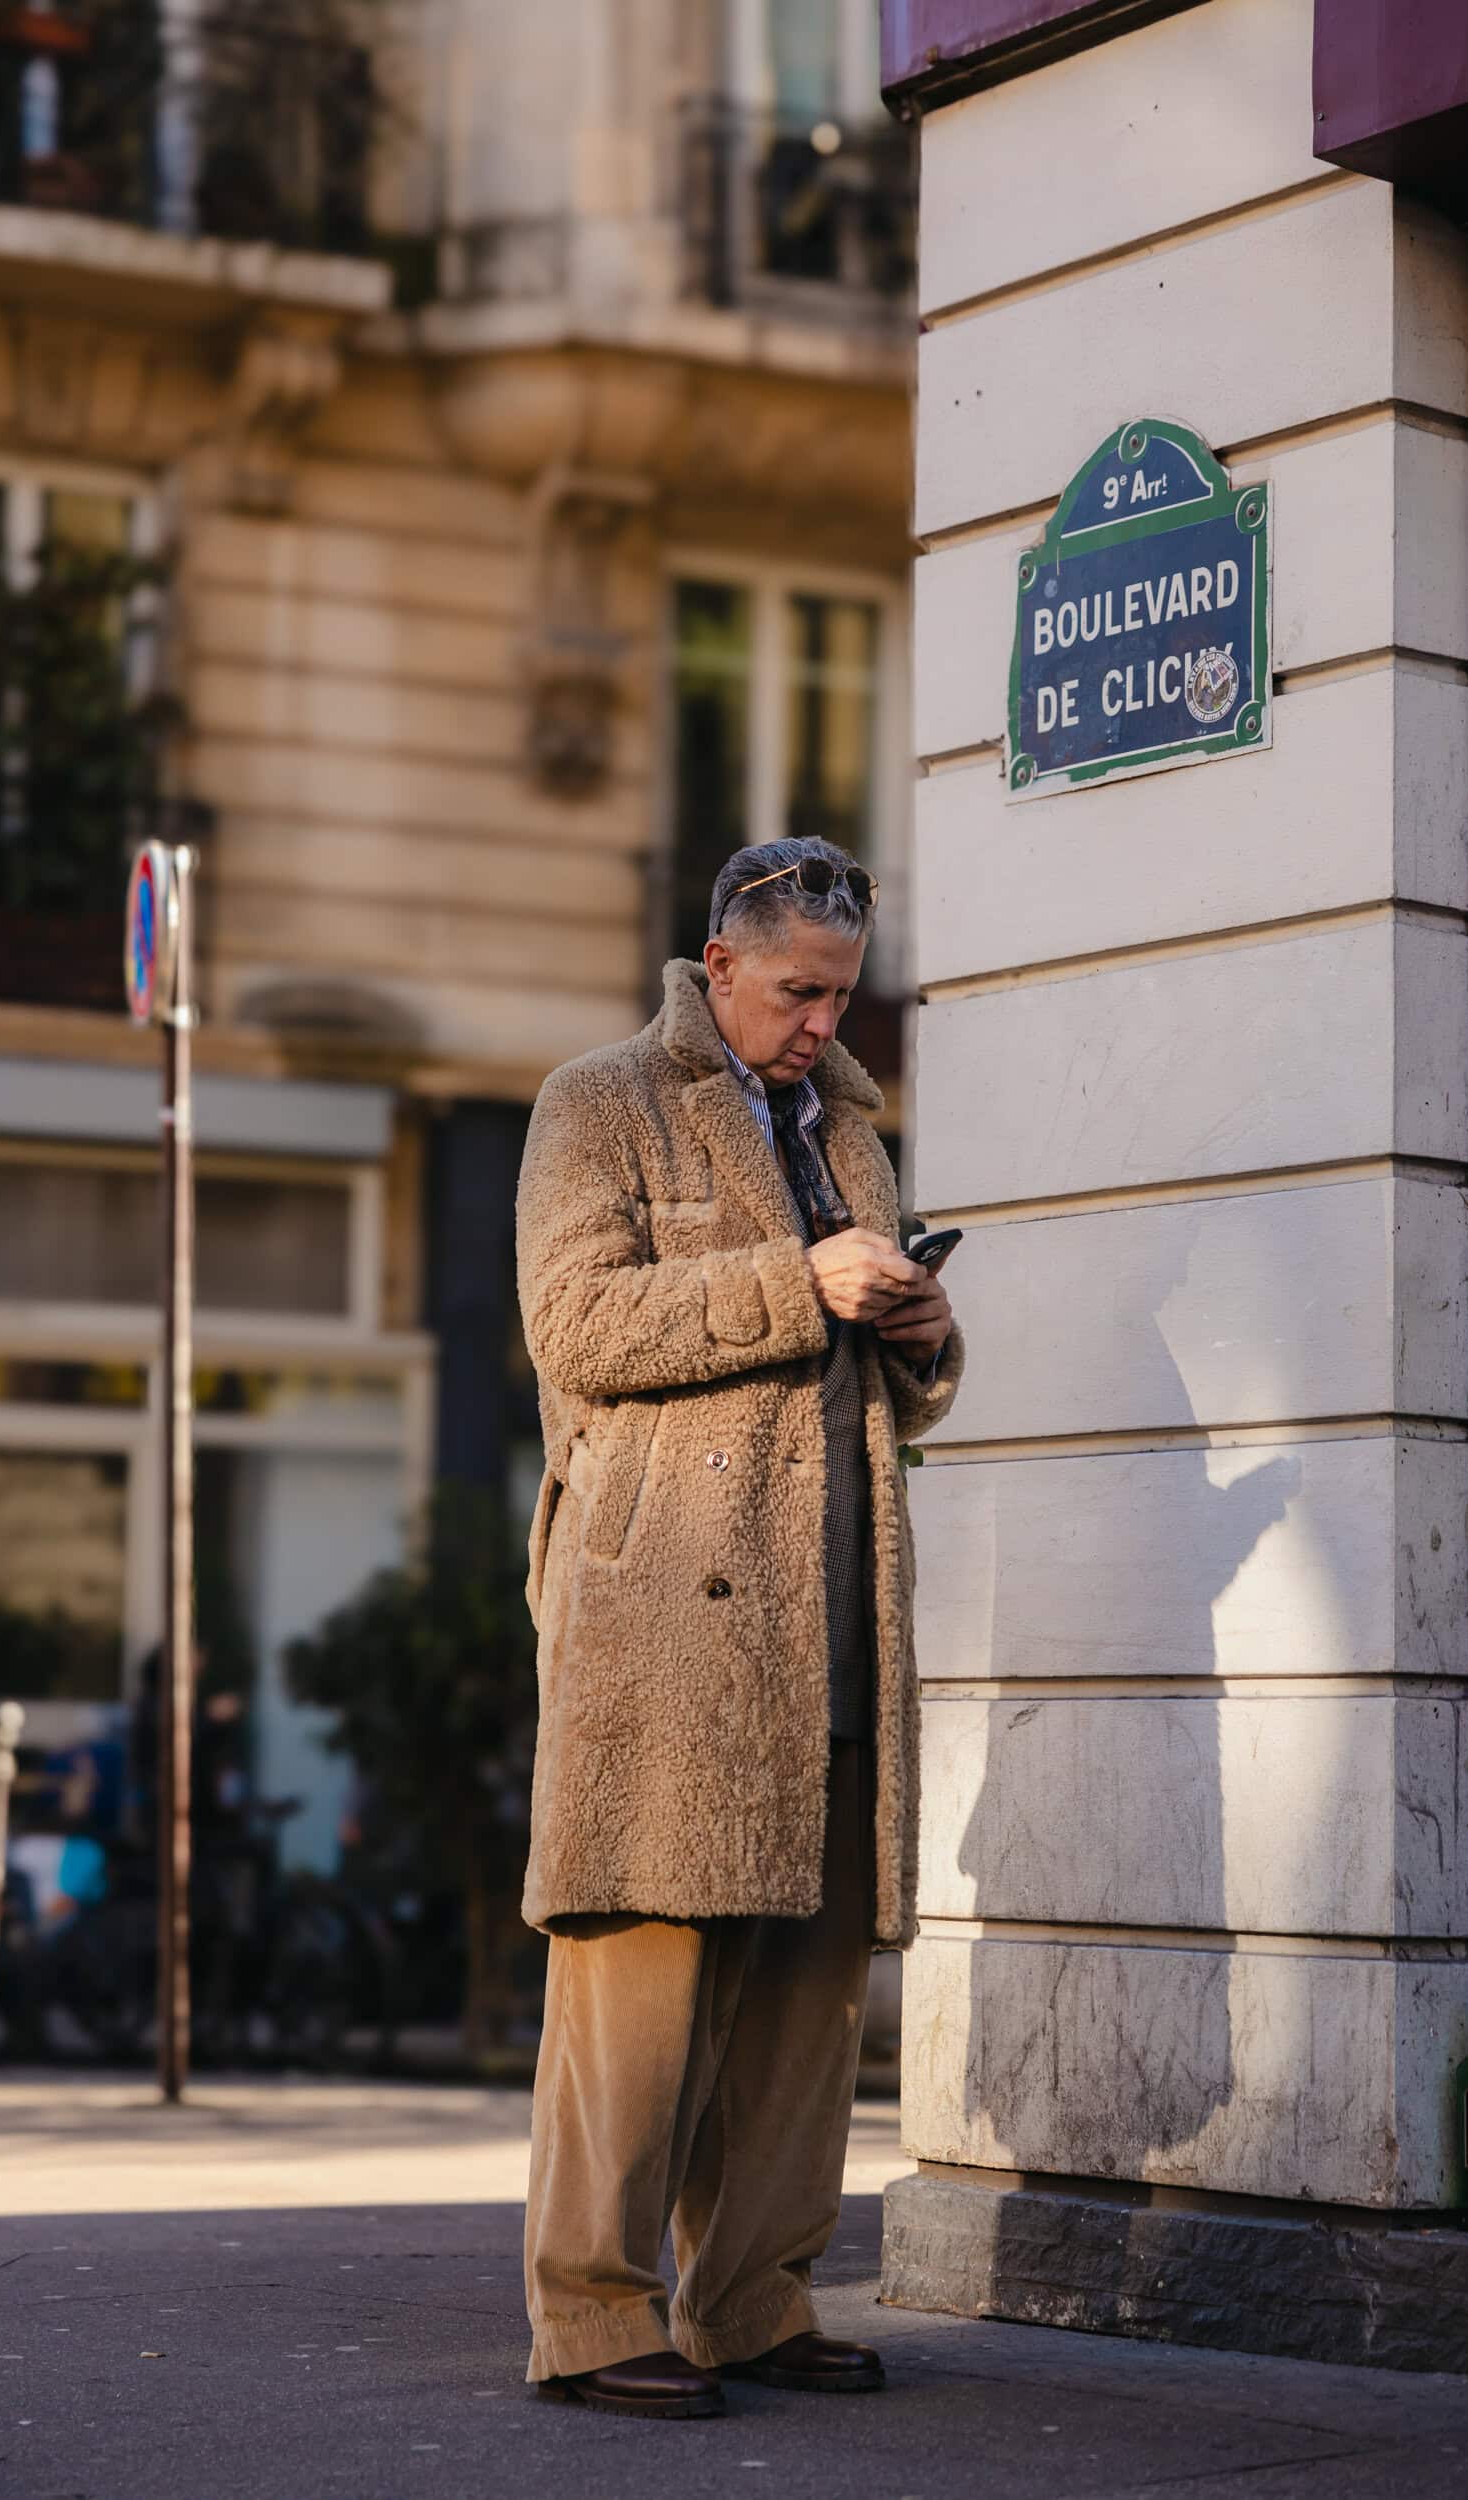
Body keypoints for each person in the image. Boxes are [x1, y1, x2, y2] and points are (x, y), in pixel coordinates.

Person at [515, 836, 963, 2419]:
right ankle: (591, 2315)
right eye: (795, 993)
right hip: (666, 1617)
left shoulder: (851, 1122)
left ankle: (754, 2297)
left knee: (809, 1986)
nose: (821, 1024)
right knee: (640, 1972)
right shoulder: (597, 1101)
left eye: (841, 996)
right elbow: (572, 1325)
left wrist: (921, 1326)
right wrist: (800, 1281)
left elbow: (890, 1376)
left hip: (834, 1600)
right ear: (719, 968)